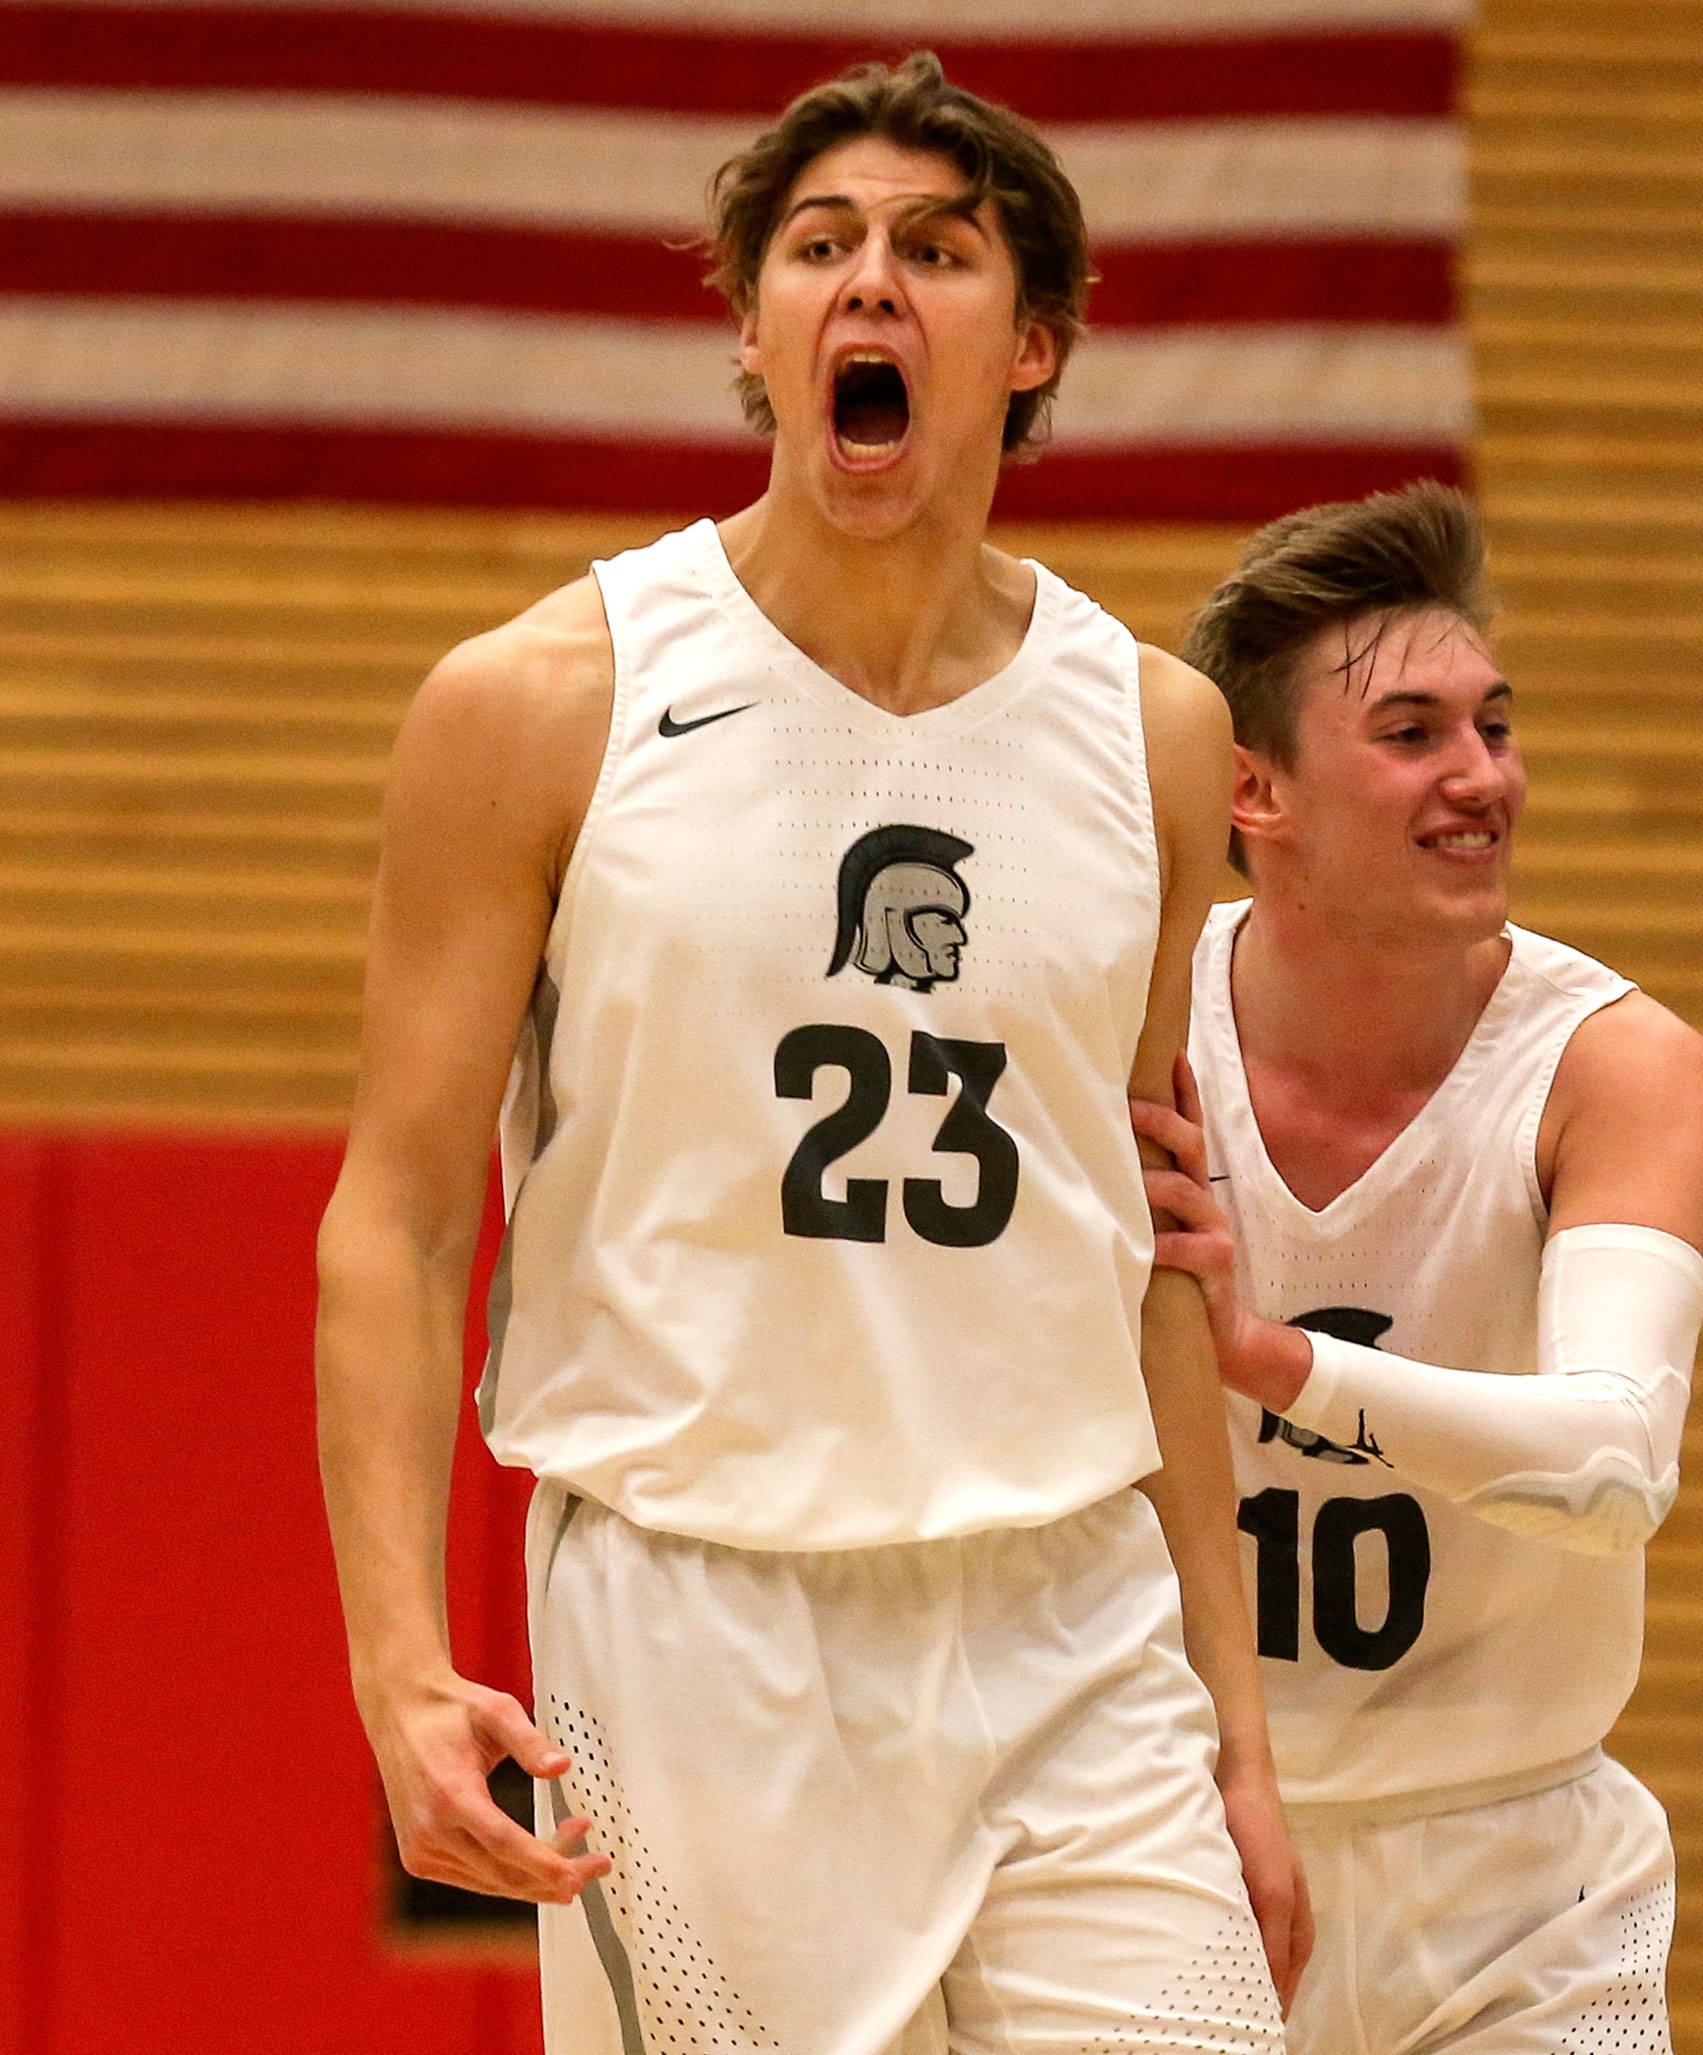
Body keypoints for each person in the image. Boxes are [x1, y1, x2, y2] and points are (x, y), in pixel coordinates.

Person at [315, 53, 1306, 2055]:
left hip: (1073, 1620)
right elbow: (403, 1223)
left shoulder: (1157, 731)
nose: (869, 286)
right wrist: (400, 1662)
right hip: (702, 1624)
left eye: (936, 253)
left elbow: (1158, 1250)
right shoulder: (541, 703)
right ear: (754, 332)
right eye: (818, 246)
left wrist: (1242, 1723)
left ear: (1028, 345)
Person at [1134, 483, 1703, 2052]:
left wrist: (1269, 1359)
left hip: (1521, 1885)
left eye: (1496, 726)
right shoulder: (1118, 1021)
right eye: (1412, 735)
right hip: (1165, 1845)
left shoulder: (1616, 1068)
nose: (1483, 778)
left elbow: (1615, 1460)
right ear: (1252, 791)